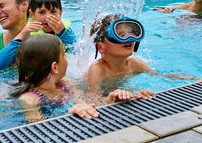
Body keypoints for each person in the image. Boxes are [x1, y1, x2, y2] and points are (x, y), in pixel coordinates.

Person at [11, 34, 150, 123]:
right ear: (55, 67)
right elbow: (40, 131)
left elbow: (86, 102)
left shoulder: (66, 84)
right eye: (64, 55)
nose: (67, 60)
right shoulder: (29, 100)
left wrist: (111, 99)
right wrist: (68, 113)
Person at [87, 14, 202, 92]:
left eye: (131, 32)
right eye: (120, 34)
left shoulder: (133, 64)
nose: (129, 38)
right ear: (101, 47)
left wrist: (198, 80)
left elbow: (163, 76)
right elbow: (92, 98)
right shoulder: (98, 70)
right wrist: (111, 100)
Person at [0, 0, 77, 70]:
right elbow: (0, 64)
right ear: (32, 14)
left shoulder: (65, 30)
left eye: (53, 11)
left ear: (60, 12)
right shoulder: (29, 33)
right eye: (42, 12)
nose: (48, 17)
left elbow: (77, 52)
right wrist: (22, 34)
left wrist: (62, 32)